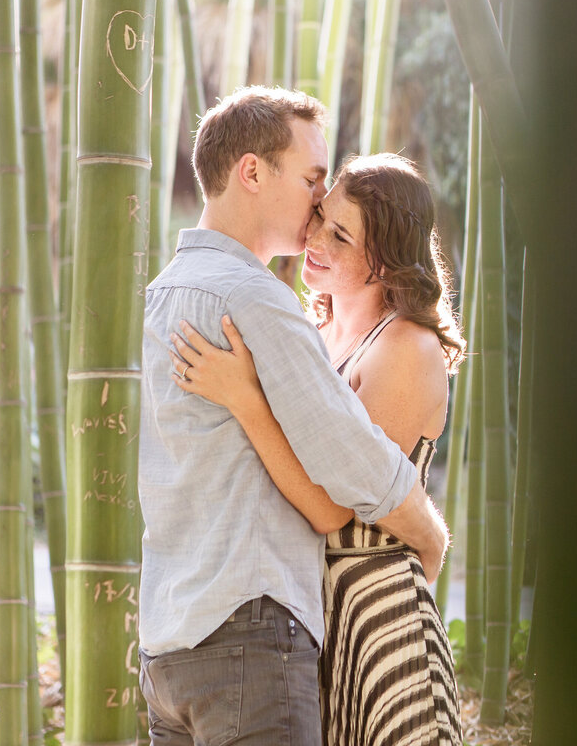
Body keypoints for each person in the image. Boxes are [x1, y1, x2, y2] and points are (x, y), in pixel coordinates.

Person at [137, 88, 449, 746]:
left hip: (173, 641)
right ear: (252, 172)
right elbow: (352, 480)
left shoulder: (160, 296)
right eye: (312, 182)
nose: (313, 213)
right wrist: (430, 531)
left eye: (339, 227)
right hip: (247, 635)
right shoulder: (259, 301)